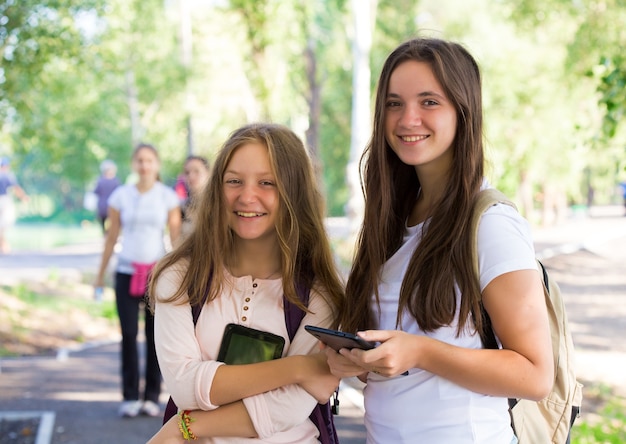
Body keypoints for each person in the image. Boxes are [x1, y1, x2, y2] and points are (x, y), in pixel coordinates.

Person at [324, 37, 554, 443]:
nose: (407, 118)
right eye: (394, 103)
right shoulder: (390, 221)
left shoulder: (490, 223)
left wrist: (421, 352)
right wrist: (356, 361)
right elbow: (393, 356)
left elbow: (535, 375)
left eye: (429, 102)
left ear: (463, 113)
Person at [146, 123, 344, 443]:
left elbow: (290, 406)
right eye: (234, 181)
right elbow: (184, 387)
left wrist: (186, 427)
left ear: (295, 194)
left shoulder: (320, 294)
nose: (247, 196)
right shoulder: (179, 278)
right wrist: (298, 368)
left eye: (267, 183)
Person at [95, 143, 181, 419]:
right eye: (140, 161)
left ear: (157, 165)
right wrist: (99, 275)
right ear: (134, 164)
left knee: (156, 337)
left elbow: (176, 239)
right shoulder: (121, 196)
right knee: (128, 336)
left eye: (150, 161)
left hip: (157, 276)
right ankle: (130, 396)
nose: (145, 166)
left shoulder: (167, 197)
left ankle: (151, 397)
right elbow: (112, 237)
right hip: (126, 272)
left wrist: (183, 275)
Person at [0, 156, 28, 254]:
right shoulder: (7, 175)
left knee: (2, 225)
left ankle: (3, 245)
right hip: (4, 201)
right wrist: (24, 197)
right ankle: (4, 246)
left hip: (4, 200)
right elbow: (16, 188)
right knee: (5, 223)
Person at [179, 155, 210, 236]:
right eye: (187, 172)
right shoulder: (181, 209)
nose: (191, 176)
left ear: (208, 174)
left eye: (196, 171)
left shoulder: (219, 205)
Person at [93, 159, 121, 235]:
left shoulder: (100, 181)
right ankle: (108, 234)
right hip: (112, 206)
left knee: (103, 222)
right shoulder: (116, 181)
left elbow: (95, 192)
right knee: (112, 222)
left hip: (102, 206)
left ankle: (105, 234)